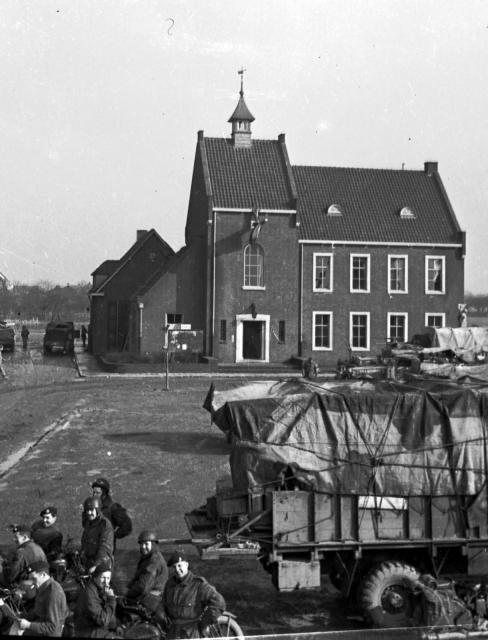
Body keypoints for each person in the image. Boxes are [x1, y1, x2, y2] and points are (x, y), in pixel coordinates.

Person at [162, 550, 225, 639]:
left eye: (180, 565)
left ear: (186, 565)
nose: (177, 570)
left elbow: (219, 603)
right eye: (174, 567)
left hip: (192, 633)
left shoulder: (198, 584)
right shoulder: (169, 584)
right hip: (173, 632)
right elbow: (163, 605)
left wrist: (204, 623)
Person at [8, 559, 68, 636]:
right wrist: (20, 615)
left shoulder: (53, 592)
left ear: (43, 575)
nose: (32, 582)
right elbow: (37, 612)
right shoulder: (42, 588)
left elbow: (52, 627)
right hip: (40, 628)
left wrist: (28, 625)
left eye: (34, 578)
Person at [126, 530, 168, 613]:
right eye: (141, 544)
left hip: (152, 601)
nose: (143, 547)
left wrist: (128, 593)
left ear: (153, 544)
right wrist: (129, 587)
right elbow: (138, 578)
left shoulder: (154, 561)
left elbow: (143, 585)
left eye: (146, 544)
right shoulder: (147, 558)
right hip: (148, 597)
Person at [73, 562, 118, 638]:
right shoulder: (89, 593)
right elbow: (102, 620)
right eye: (103, 577)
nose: (106, 581)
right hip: (87, 631)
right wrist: (111, 599)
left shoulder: (100, 589)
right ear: (95, 577)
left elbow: (107, 613)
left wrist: (116, 626)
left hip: (97, 627)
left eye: (108, 578)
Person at [90, 477, 132, 546]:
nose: (94, 495)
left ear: (104, 494)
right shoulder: (92, 508)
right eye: (93, 492)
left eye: (97, 493)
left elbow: (127, 526)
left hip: (106, 549)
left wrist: (113, 535)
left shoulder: (113, 508)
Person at [80, 497, 114, 575]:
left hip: (102, 564)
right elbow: (85, 543)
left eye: (91, 510)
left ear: (97, 510)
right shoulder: (89, 523)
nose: (89, 513)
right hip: (89, 562)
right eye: (87, 510)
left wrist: (96, 565)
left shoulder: (104, 525)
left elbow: (105, 547)